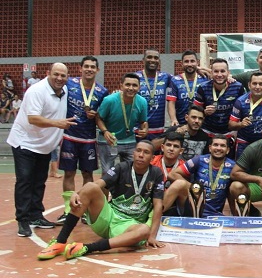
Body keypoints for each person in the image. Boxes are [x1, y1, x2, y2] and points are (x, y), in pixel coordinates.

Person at [37, 141, 165, 260]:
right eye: (138, 151)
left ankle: (87, 248)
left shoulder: (156, 173)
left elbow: (158, 205)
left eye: (146, 152)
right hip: (108, 217)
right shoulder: (122, 167)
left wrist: (152, 236)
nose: (141, 155)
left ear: (152, 157)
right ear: (134, 153)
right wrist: (77, 193)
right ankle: (60, 242)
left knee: (144, 231)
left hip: (129, 226)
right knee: (90, 187)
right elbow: (98, 183)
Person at [7, 63, 77, 237]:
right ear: (48, 74)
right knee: (25, 181)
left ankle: (36, 216)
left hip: (44, 146)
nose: (59, 78)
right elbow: (33, 118)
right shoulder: (37, 91)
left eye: (63, 75)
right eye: (56, 74)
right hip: (25, 143)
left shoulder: (65, 91)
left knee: (39, 181)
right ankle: (22, 220)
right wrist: (58, 124)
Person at [56, 56, 109, 224]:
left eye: (93, 67)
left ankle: (85, 210)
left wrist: (96, 116)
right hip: (69, 136)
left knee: (88, 174)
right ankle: (67, 210)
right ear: (80, 69)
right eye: (86, 66)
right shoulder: (69, 84)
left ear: (97, 70)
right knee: (69, 173)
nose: (89, 69)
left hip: (88, 139)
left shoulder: (102, 91)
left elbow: (102, 116)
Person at [165, 134, 234, 218]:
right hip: (193, 205)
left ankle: (240, 221)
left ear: (228, 150)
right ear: (210, 148)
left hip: (214, 213)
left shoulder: (232, 166)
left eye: (222, 146)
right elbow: (172, 174)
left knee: (238, 186)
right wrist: (195, 188)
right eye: (215, 145)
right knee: (179, 183)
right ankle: (154, 216)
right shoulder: (199, 160)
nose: (218, 148)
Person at [97, 73, 149, 174]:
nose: (131, 88)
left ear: (139, 87)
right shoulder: (109, 100)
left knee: (131, 172)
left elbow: (143, 122)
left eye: (134, 85)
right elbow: (98, 118)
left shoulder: (142, 102)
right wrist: (105, 131)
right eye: (127, 84)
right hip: (109, 140)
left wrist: (145, 129)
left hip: (129, 140)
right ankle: (107, 190)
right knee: (108, 173)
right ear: (121, 86)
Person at [194, 58, 245, 138]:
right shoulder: (203, 87)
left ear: (228, 73)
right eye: (216, 71)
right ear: (211, 73)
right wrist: (204, 112)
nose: (219, 75)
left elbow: (244, 110)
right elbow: (195, 111)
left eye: (222, 71)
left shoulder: (238, 87)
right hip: (207, 131)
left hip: (230, 132)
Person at [135, 48, 171, 140]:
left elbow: (182, 79)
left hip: (158, 130)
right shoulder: (135, 77)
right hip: (139, 130)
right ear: (143, 60)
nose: (153, 60)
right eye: (149, 57)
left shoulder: (165, 77)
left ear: (159, 61)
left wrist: (197, 68)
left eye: (156, 58)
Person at [167, 50, 208, 126]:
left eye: (192, 61)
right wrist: (173, 119)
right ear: (181, 64)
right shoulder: (175, 80)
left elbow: (218, 75)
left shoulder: (204, 79)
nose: (189, 64)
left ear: (197, 63)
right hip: (181, 123)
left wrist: (201, 69)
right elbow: (171, 102)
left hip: (200, 123)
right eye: (186, 61)